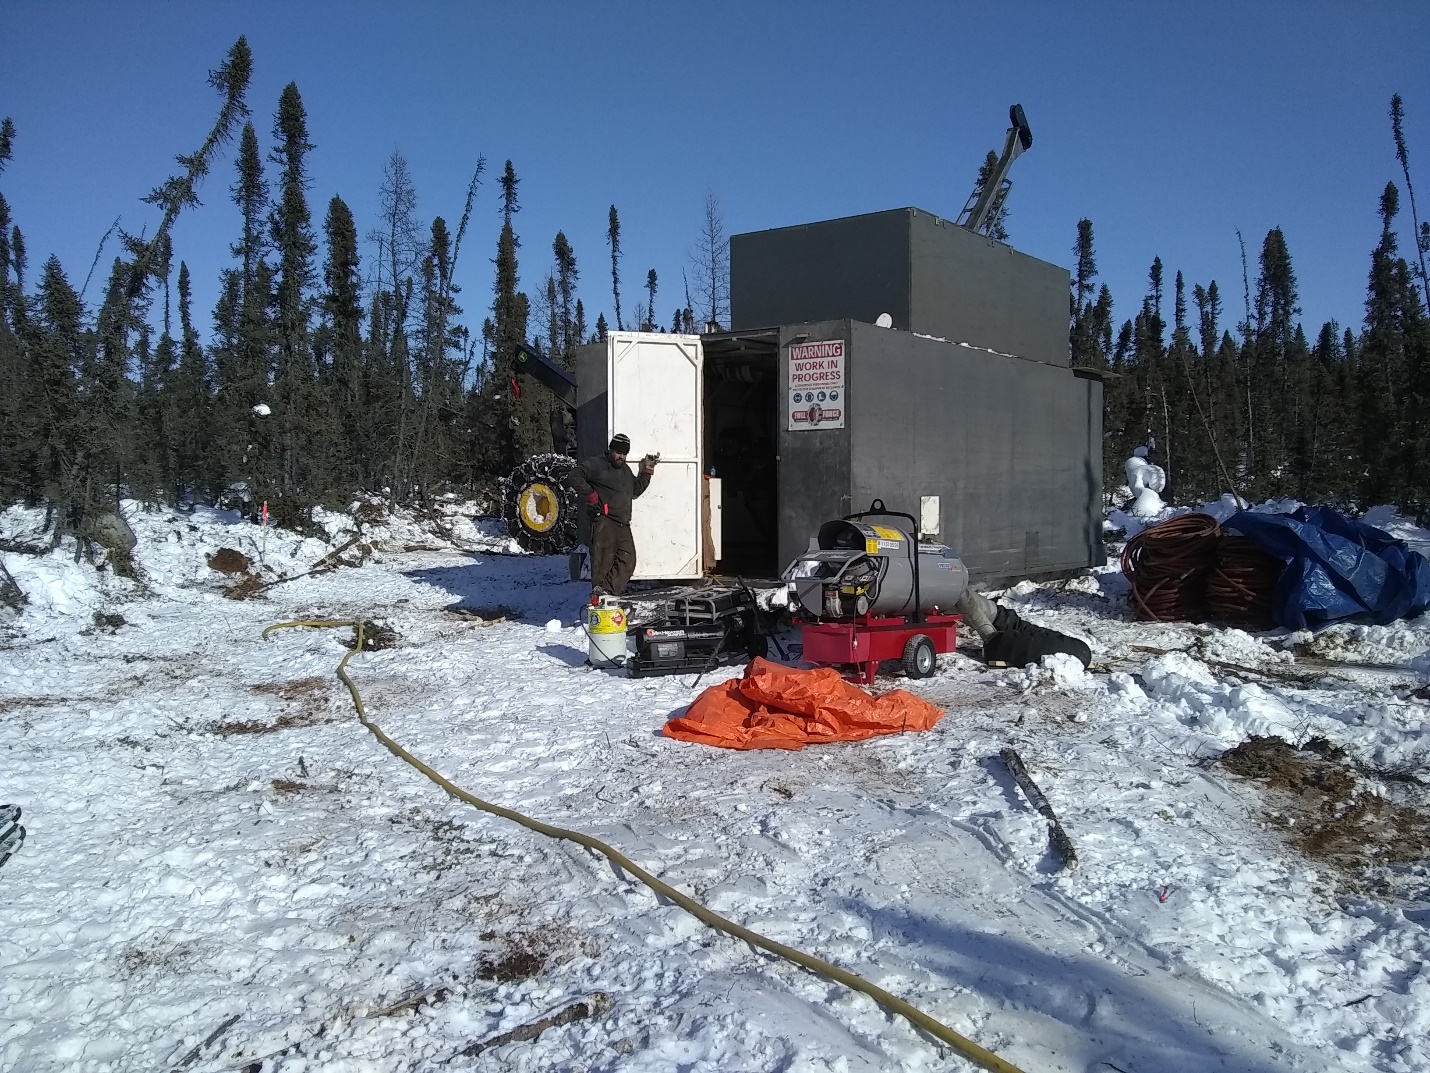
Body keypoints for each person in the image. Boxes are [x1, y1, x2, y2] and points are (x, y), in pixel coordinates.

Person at [569, 433, 658, 596]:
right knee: (603, 564)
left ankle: (606, 593)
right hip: (604, 521)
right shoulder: (596, 464)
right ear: (611, 450)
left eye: (624, 454)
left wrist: (647, 470)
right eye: (618, 453)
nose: (621, 457)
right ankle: (599, 599)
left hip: (623, 524)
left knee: (628, 561)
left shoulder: (625, 471)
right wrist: (590, 494)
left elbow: (635, 490)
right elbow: (574, 476)